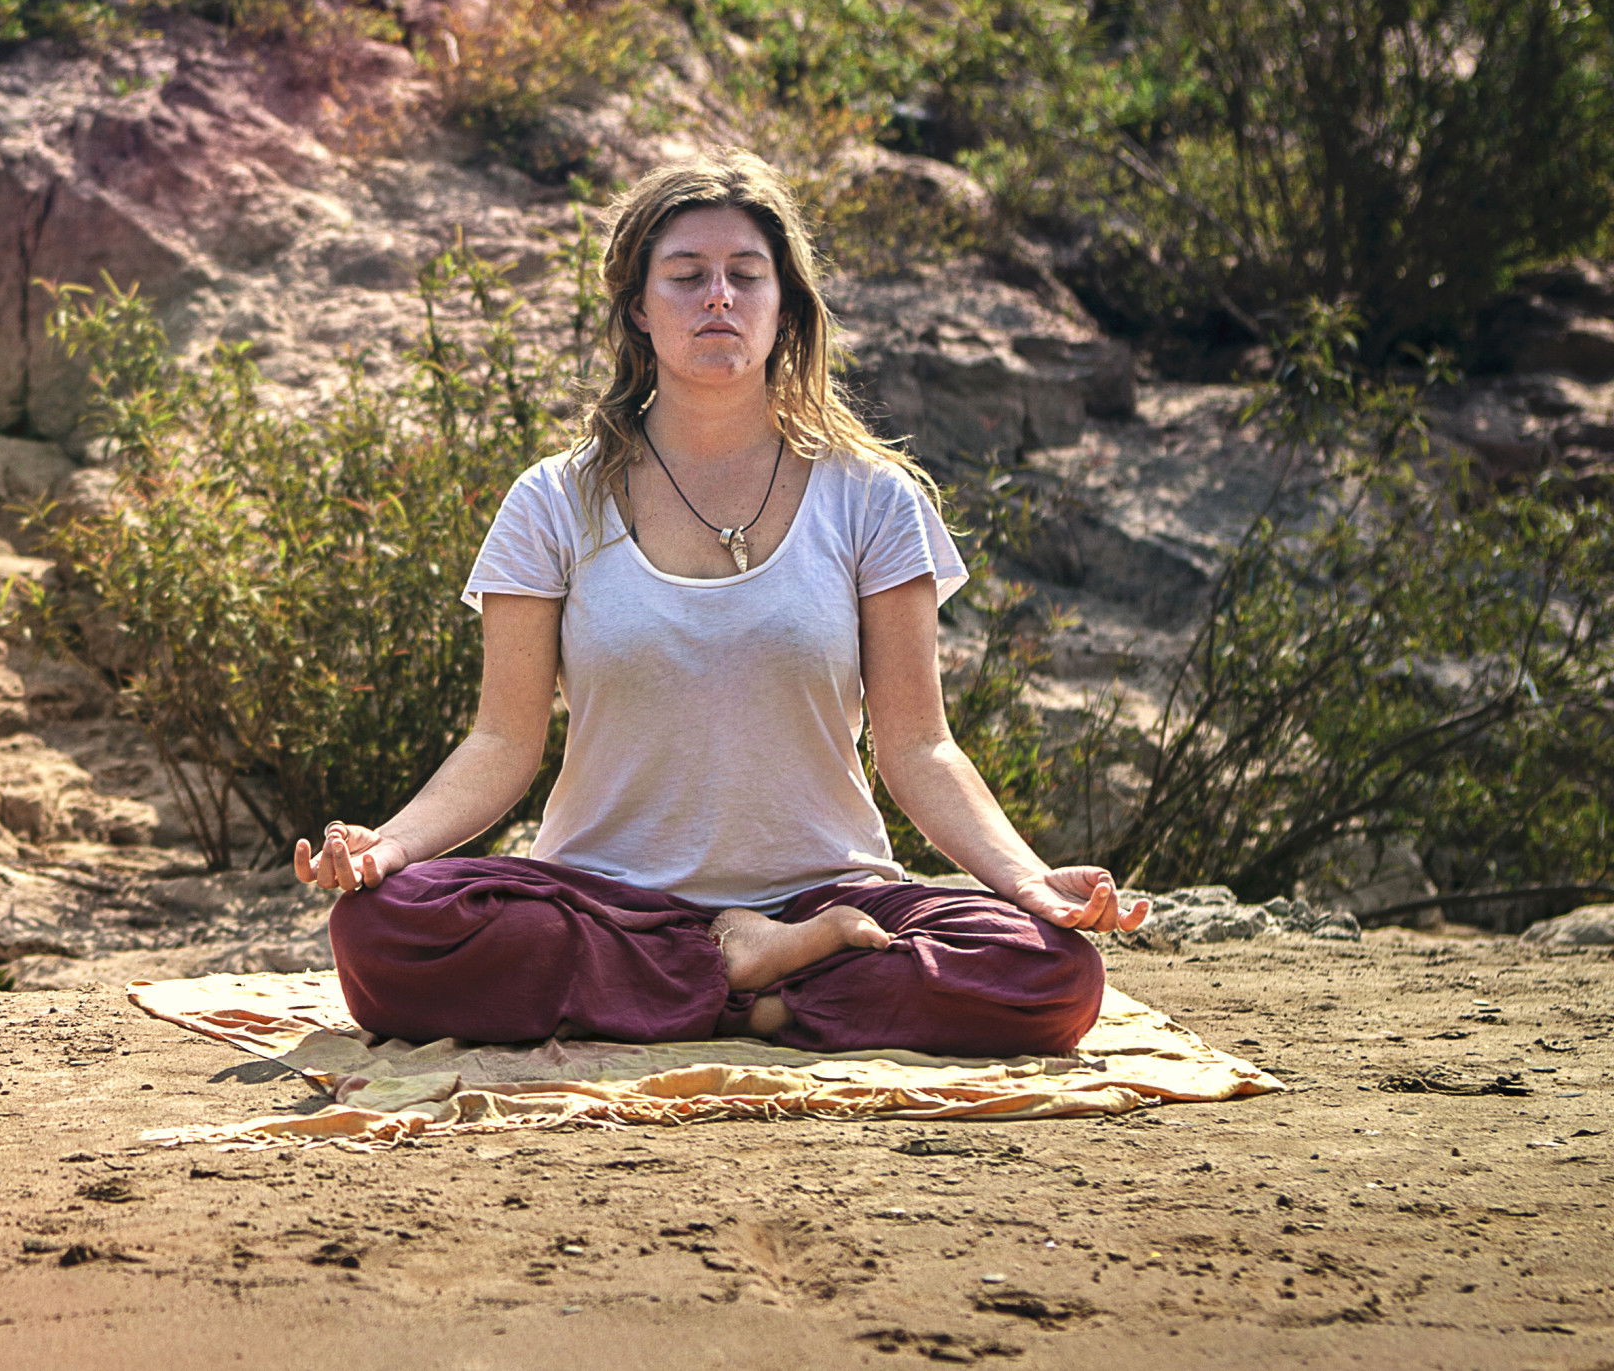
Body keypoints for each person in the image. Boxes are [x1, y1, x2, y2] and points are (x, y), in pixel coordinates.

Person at [295, 151, 1147, 1059]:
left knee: (1053, 972)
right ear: (638, 306)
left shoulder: (872, 498)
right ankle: (757, 992)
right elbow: (503, 740)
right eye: (686, 275)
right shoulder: (553, 500)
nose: (718, 298)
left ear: (785, 307)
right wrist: (389, 848)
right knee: (379, 930)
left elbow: (919, 746)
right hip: (606, 900)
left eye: (746, 275)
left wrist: (1027, 879)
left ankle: (702, 984)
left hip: (826, 896)